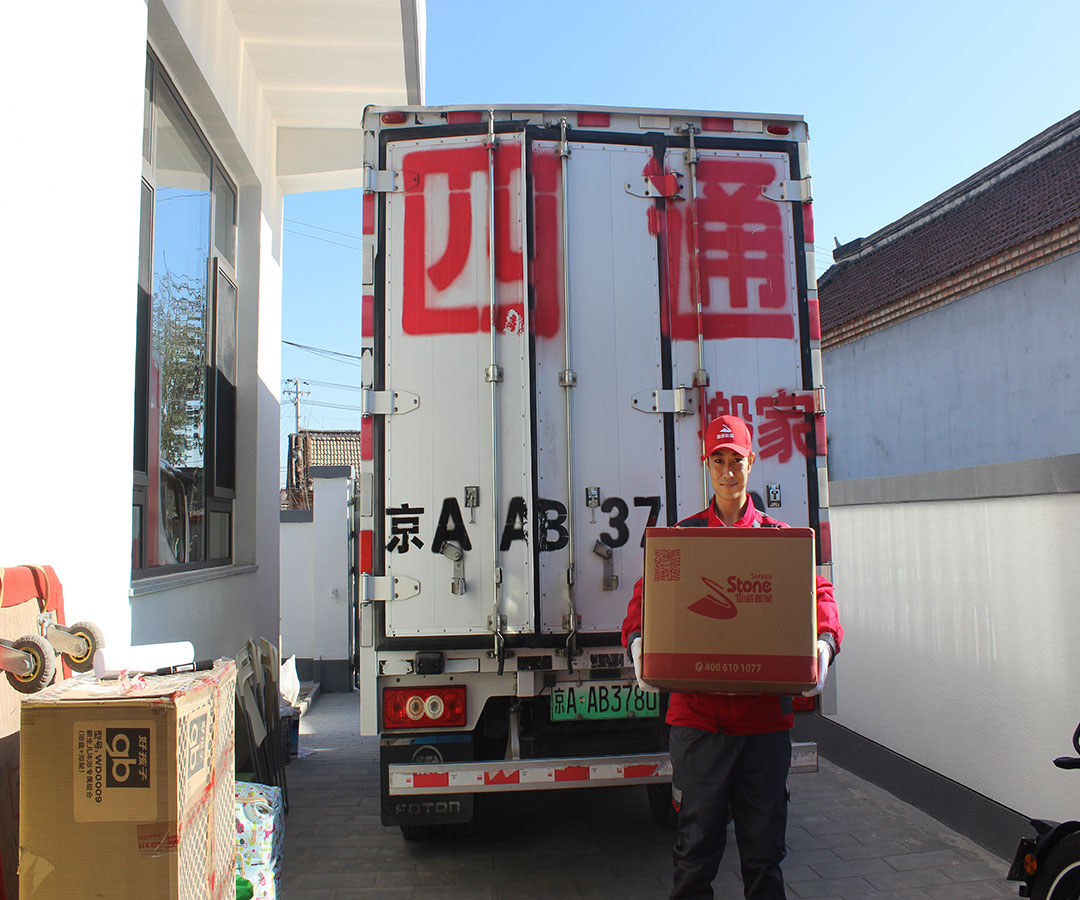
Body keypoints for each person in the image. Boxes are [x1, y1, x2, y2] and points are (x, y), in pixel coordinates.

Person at [621, 414, 843, 900]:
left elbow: (820, 595)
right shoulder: (681, 540)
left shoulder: (777, 540)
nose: (727, 472)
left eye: (736, 461)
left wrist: (824, 644)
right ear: (707, 465)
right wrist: (637, 641)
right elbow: (646, 598)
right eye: (718, 461)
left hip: (763, 727)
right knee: (695, 856)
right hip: (698, 725)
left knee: (764, 857)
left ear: (751, 463)